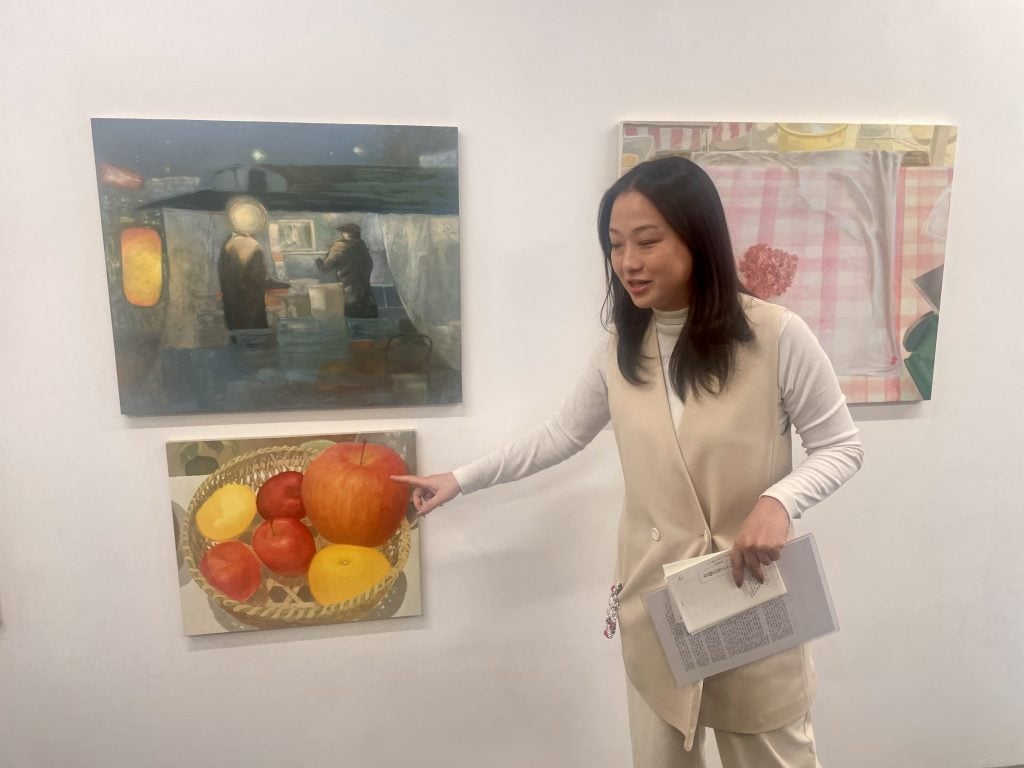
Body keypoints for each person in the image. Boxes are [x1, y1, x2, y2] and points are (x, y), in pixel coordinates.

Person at [393, 156, 863, 768]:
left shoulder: (776, 335)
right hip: (657, 600)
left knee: (774, 755)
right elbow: (561, 435)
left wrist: (778, 501)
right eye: (615, 246)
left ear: (697, 237)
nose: (628, 262)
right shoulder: (621, 348)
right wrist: (459, 478)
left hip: (751, 593)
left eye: (647, 240)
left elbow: (841, 446)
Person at [316, 223, 379, 318]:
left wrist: (319, 260)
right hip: (368, 299)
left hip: (350, 298)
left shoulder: (339, 247)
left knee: (352, 325)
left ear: (344, 234)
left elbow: (325, 268)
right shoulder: (362, 247)